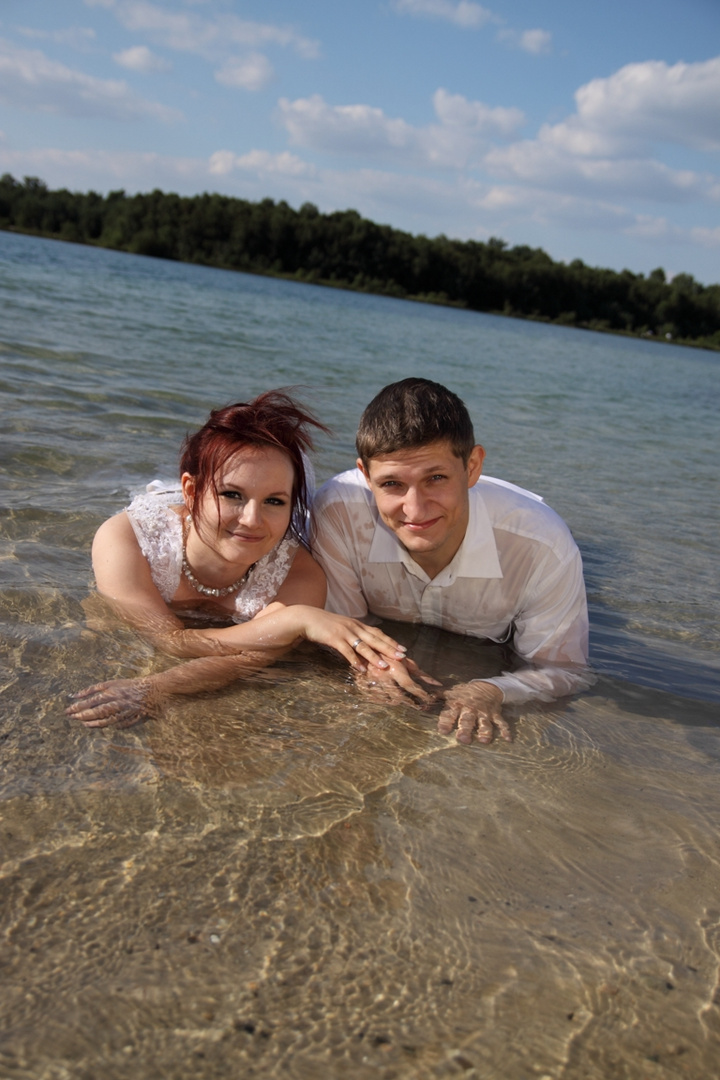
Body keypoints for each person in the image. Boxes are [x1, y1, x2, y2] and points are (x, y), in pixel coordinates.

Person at [67, 390, 411, 729]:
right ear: (189, 490)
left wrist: (158, 688)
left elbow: (249, 660)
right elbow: (171, 642)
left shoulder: (300, 574)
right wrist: (292, 621)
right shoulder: (128, 539)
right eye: (232, 495)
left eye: (274, 501)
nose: (251, 519)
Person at [311, 378, 593, 745]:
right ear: (365, 476)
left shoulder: (542, 545)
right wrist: (371, 666)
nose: (414, 509)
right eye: (392, 484)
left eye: (436, 478)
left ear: (473, 466)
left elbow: (564, 669)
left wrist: (493, 690)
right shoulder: (337, 511)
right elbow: (345, 629)